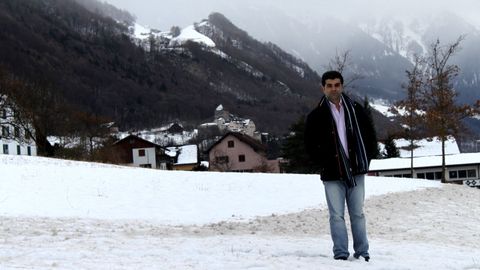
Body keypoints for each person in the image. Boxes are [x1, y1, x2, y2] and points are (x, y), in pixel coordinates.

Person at [304, 70, 377, 261]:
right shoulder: (316, 116)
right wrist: (323, 163)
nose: (333, 89)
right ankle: (341, 254)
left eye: (337, 85)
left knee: (358, 214)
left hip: (357, 171)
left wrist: (366, 160)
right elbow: (309, 146)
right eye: (329, 85)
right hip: (331, 174)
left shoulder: (356, 110)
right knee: (336, 216)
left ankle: (362, 253)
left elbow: (370, 137)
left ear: (342, 86)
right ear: (323, 88)